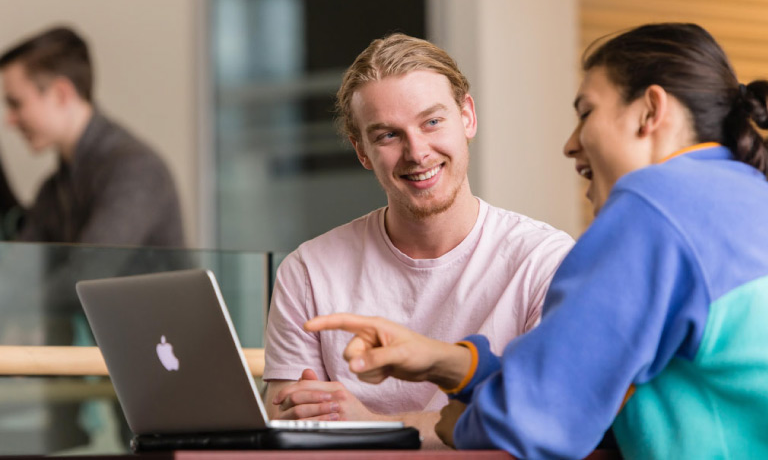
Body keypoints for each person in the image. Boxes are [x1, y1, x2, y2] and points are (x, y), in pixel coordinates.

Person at [305, 23, 768, 459]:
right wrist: (447, 362)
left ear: (650, 111)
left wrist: (457, 424)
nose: (570, 143)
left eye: (586, 111)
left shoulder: (652, 208)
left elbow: (538, 420)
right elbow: (587, 382)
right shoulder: (746, 195)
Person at [263, 33, 574, 446]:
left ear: (467, 117)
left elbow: (545, 417)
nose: (417, 151)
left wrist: (369, 425)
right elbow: (286, 421)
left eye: (431, 122)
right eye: (387, 135)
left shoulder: (545, 260)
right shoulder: (308, 270)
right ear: (362, 151)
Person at [0, 26, 184, 247]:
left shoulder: (136, 170)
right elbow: (15, 272)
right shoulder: (53, 191)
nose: (9, 120)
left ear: (60, 94)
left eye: (16, 103)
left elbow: (86, 274)